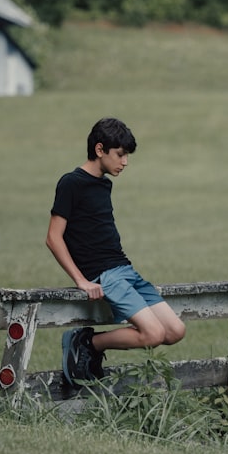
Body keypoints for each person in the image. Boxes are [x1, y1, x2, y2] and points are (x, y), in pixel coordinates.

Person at [46, 117, 186, 387]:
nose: (125, 162)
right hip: (105, 275)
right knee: (153, 334)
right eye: (120, 155)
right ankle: (88, 343)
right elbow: (53, 238)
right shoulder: (71, 183)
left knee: (175, 330)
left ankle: (90, 344)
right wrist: (82, 281)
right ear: (100, 150)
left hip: (125, 270)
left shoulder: (104, 184)